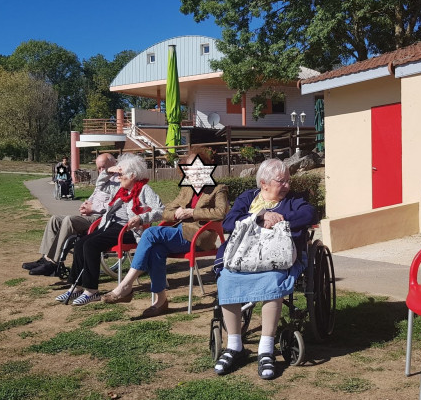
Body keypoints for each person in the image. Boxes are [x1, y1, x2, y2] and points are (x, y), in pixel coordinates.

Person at [212, 158, 317, 380]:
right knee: (227, 280)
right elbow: (228, 223)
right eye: (282, 181)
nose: (288, 185)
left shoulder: (293, 201)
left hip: (279, 259)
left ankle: (266, 348)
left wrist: (279, 218)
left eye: (289, 180)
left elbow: (309, 215)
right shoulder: (248, 198)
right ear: (264, 183)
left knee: (273, 281)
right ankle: (234, 345)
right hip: (244, 258)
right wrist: (259, 217)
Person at [102, 148, 229, 317]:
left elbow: (222, 212)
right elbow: (166, 211)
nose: (193, 174)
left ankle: (126, 285)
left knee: (151, 233)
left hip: (199, 236)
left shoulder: (218, 189)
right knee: (156, 249)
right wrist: (176, 213)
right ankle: (160, 301)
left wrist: (192, 213)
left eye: (197, 169)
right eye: (189, 170)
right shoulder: (187, 189)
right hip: (179, 233)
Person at [55, 153, 164, 306]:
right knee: (80, 243)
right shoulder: (122, 189)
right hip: (111, 225)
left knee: (90, 245)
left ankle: (91, 290)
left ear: (132, 175)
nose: (118, 177)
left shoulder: (144, 189)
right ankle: (77, 286)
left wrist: (141, 218)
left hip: (129, 231)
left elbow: (161, 210)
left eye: (121, 174)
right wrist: (107, 171)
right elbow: (100, 185)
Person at [23, 153, 119, 276]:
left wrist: (93, 207)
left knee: (69, 220)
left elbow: (116, 206)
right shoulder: (103, 180)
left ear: (113, 164)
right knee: (55, 219)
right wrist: (86, 204)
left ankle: (54, 263)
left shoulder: (118, 181)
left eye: (103, 167)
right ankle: (45, 258)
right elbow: (93, 197)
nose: (101, 171)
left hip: (101, 219)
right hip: (89, 215)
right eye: (98, 168)